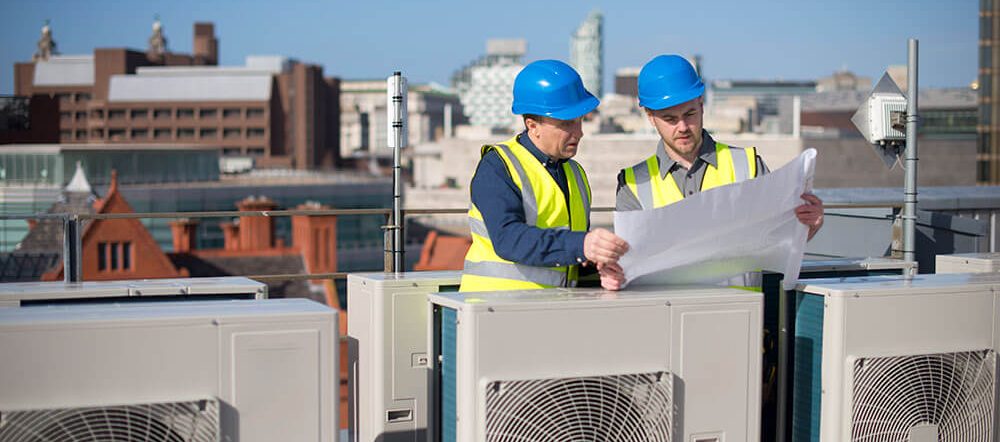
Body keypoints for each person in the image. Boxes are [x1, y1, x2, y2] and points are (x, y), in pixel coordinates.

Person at [600, 54, 824, 290]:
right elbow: (629, 265)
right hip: (668, 316)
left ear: (701, 105)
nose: (683, 127)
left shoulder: (748, 165)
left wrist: (807, 227)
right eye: (670, 119)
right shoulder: (633, 184)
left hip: (741, 314)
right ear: (650, 117)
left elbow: (776, 245)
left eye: (690, 114)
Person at [460, 60, 629, 292]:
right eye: (566, 123)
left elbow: (565, 257)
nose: (579, 132)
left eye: (580, 121)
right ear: (533, 125)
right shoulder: (498, 166)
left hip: (550, 309)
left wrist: (599, 267)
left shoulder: (575, 173)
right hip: (493, 308)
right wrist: (583, 245)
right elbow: (508, 239)